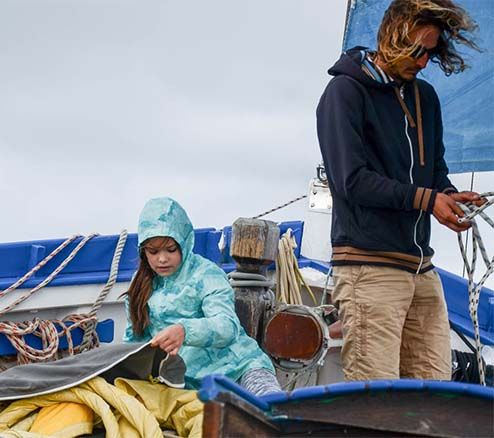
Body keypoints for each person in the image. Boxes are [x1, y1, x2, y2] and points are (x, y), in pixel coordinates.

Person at [316, 0, 482, 381]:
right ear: (393, 36)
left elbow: (434, 170)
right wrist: (428, 200)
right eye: (418, 50)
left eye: (431, 52)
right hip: (368, 269)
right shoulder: (344, 93)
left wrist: (448, 194)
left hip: (421, 269)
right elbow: (350, 180)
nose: (424, 62)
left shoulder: (426, 99)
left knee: (437, 392)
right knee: (377, 401)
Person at [123, 197, 281, 396]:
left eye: (171, 249)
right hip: (188, 384)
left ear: (184, 243)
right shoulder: (139, 286)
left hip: (240, 368)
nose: (162, 259)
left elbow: (227, 326)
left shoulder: (207, 274)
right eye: (153, 251)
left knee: (274, 408)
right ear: (142, 251)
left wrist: (184, 331)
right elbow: (133, 343)